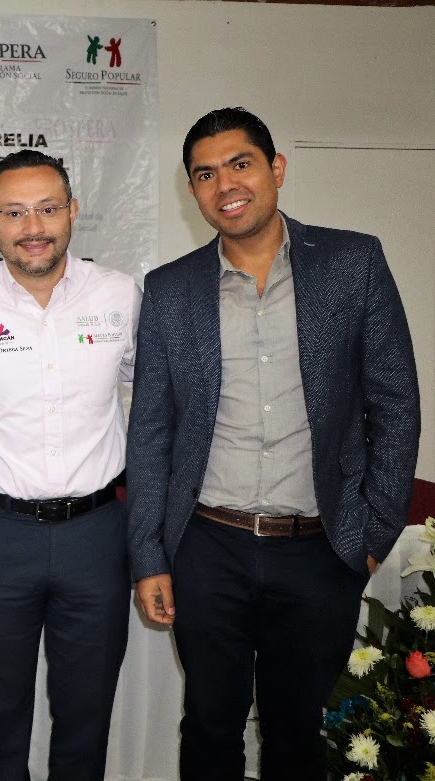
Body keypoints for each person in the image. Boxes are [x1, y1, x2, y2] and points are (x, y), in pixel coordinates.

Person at [127, 107, 421, 780]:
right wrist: (149, 555)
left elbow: (396, 403)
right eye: (206, 174)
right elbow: (150, 432)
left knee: (296, 731)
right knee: (209, 723)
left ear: (275, 168)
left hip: (319, 547)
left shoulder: (352, 263)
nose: (225, 184)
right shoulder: (170, 290)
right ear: (192, 190)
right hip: (209, 546)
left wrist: (374, 529)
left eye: (241, 164)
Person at [0, 150, 140, 780]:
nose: (33, 227)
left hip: (96, 535)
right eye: (15, 212)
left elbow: (162, 405)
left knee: (87, 712)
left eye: (47, 209)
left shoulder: (120, 295)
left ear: (72, 211)